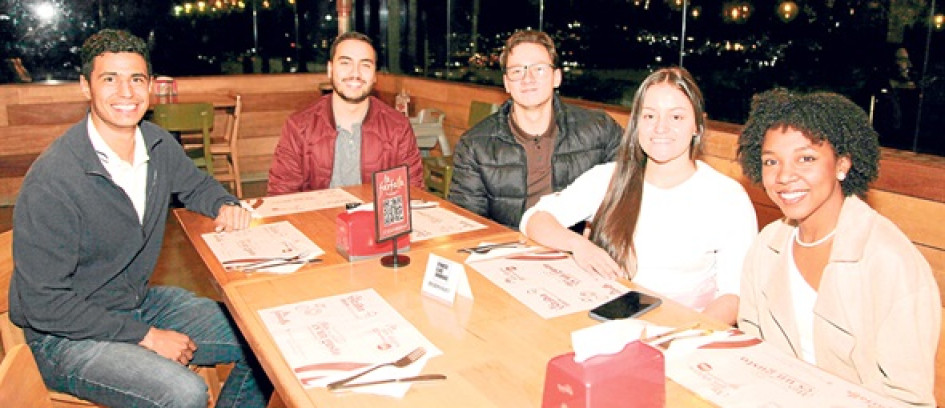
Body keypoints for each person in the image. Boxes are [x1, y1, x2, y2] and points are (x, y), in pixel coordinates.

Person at [9, 29, 272, 407]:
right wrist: (145, 335)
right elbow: (42, 303)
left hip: (135, 303)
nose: (126, 93)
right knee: (184, 392)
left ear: (150, 86)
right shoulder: (54, 180)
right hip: (65, 337)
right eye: (109, 79)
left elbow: (197, 186)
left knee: (266, 339)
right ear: (86, 87)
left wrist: (223, 204)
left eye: (136, 79)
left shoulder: (157, 144)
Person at [736, 89, 940, 406]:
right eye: (771, 161)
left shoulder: (890, 262)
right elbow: (752, 351)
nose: (784, 175)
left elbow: (909, 399)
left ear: (842, 165)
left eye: (806, 159)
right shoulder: (766, 247)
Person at [520, 67, 757, 325]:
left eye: (676, 117)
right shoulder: (608, 178)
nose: (660, 128)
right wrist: (579, 245)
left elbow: (734, 296)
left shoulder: (727, 197)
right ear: (636, 124)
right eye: (649, 116)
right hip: (602, 320)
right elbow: (534, 219)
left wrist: (682, 337)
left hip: (683, 332)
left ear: (697, 126)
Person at [449, 30, 622, 229]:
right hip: (506, 251)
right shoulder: (475, 145)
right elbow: (467, 225)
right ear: (506, 83)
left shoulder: (600, 129)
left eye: (538, 69)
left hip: (578, 251)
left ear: (556, 77)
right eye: (517, 71)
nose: (528, 79)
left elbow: (632, 187)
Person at [268, 31, 424, 194]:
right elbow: (281, 194)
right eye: (345, 63)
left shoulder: (398, 127)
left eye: (365, 65)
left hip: (374, 219)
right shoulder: (299, 126)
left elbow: (413, 195)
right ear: (330, 69)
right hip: (316, 218)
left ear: (375, 75)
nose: (355, 73)